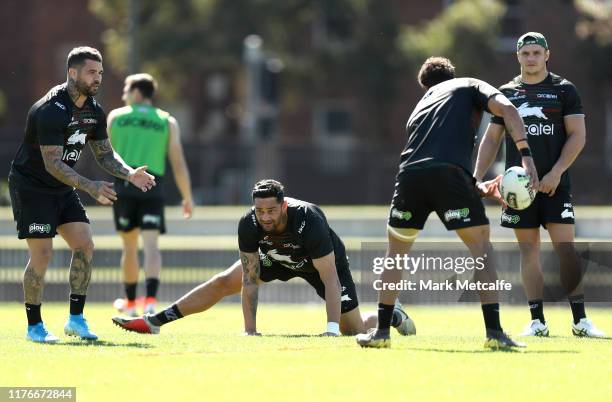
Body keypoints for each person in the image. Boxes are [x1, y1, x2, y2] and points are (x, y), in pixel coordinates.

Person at [356, 56, 539, 350]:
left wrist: (475, 188)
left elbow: (431, 157)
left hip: (409, 175)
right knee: (481, 250)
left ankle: (381, 333)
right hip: (449, 174)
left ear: (425, 86)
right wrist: (526, 157)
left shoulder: (419, 108)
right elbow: (507, 109)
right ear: (452, 75)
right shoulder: (468, 84)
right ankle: (494, 333)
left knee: (395, 255)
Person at [112, 179, 415, 337]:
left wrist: (331, 330)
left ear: (284, 206)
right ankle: (156, 321)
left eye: (272, 211)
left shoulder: (309, 220)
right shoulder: (249, 223)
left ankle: (394, 314)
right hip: (275, 257)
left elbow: (330, 277)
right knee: (223, 282)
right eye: (260, 211)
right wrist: (250, 330)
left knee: (355, 330)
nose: (266, 217)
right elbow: (249, 278)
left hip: (317, 264)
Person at [8, 46, 156, 343]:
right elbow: (52, 163)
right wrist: (89, 185)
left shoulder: (94, 110)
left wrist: (129, 173)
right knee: (43, 253)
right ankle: (34, 326)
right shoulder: (50, 109)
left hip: (62, 186)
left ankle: (76, 320)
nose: (97, 78)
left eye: (100, 72)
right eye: (91, 72)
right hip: (32, 186)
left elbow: (105, 155)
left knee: (85, 244)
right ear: (72, 72)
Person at [474, 32, 604, 338]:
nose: (531, 58)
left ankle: (580, 321)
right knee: (528, 251)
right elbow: (492, 139)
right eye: (525, 53)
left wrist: (556, 172)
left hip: (555, 184)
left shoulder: (564, 90)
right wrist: (475, 178)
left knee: (566, 250)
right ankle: (537, 322)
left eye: (536, 52)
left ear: (547, 55)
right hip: (518, 190)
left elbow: (578, 136)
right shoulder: (506, 93)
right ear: (518, 56)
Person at [108, 73, 193, 316]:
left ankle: (131, 303)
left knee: (130, 246)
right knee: (152, 245)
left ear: (136, 92)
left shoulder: (116, 116)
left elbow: (104, 154)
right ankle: (151, 301)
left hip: (124, 185)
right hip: (153, 186)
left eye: (126, 90)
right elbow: (178, 162)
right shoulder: (167, 121)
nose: (124, 95)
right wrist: (187, 197)